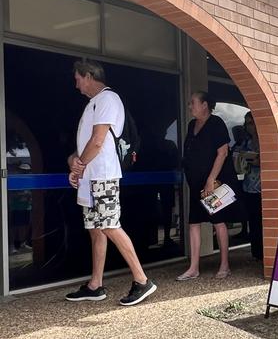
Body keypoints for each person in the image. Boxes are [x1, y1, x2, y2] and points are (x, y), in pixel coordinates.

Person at [66, 59, 156, 305]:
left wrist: (79, 165)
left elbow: (97, 141)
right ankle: (95, 286)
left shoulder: (108, 99)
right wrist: (74, 160)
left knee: (108, 224)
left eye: (77, 79)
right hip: (91, 177)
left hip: (102, 175)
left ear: (88, 75)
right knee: (97, 230)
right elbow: (88, 144)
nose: (76, 85)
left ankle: (141, 280)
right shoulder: (93, 104)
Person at [177, 91, 245, 281]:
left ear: (205, 104)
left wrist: (210, 179)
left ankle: (224, 265)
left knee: (218, 221)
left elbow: (222, 153)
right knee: (194, 223)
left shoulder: (216, 123)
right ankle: (193, 268)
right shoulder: (192, 125)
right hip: (195, 183)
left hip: (213, 183)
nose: (190, 106)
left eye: (193, 103)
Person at [241, 111, 263, 260]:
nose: (249, 126)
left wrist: (259, 162)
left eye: (251, 123)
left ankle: (264, 252)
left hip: (263, 187)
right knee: (253, 221)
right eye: (247, 123)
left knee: (263, 222)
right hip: (249, 186)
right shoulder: (246, 142)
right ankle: (256, 253)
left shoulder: (264, 141)